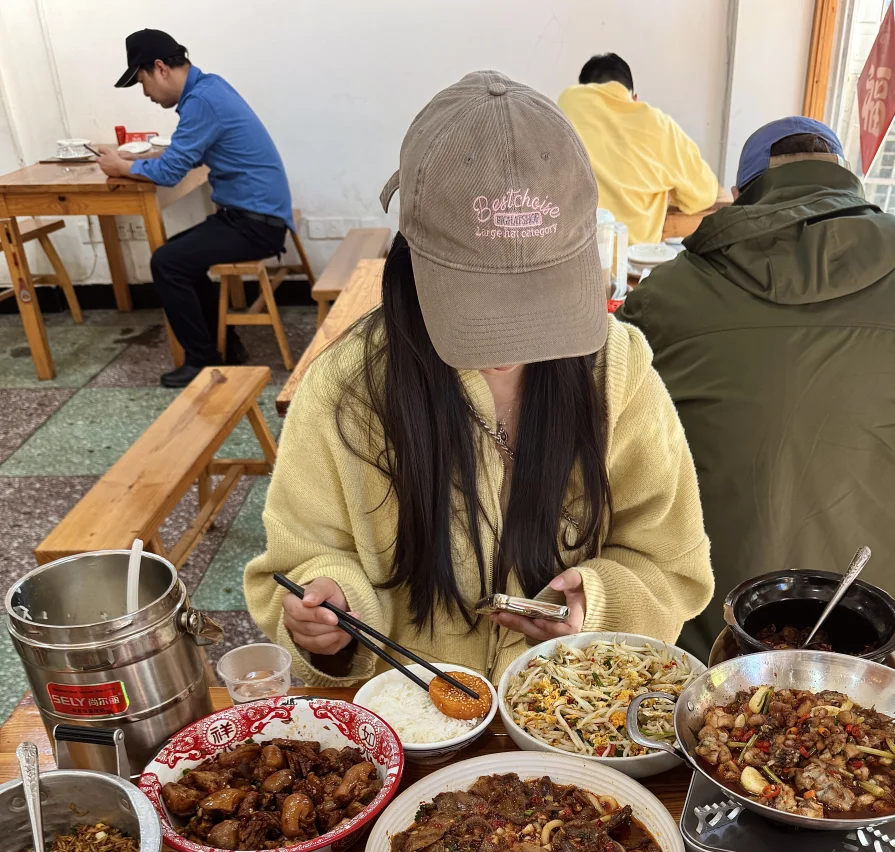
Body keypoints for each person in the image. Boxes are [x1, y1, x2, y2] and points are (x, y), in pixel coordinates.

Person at [244, 71, 712, 687]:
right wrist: (330, 608)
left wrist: (596, 605)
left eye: (539, 300)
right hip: (408, 712)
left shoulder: (617, 372)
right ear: (411, 259)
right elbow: (303, 552)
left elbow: (670, 561)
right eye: (477, 304)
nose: (508, 344)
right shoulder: (347, 387)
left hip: (565, 710)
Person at [621, 116, 895, 661]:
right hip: (867, 605)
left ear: (740, 194)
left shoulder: (665, 295)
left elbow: (624, 431)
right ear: (847, 181)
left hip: (709, 606)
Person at [97, 29, 293, 388]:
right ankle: (224, 347)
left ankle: (202, 360)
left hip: (256, 223)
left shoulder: (201, 101)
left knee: (167, 262)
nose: (146, 93)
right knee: (180, 258)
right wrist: (141, 161)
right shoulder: (210, 87)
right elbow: (188, 154)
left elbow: (170, 173)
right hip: (257, 215)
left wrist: (122, 167)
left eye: (142, 82)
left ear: (160, 68)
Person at [558, 53, 718, 246]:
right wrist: (667, 192)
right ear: (634, 98)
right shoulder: (659, 125)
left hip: (574, 255)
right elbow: (704, 194)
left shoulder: (567, 104)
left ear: (585, 90)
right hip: (636, 259)